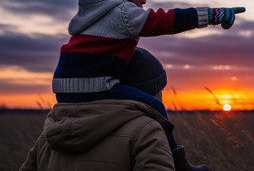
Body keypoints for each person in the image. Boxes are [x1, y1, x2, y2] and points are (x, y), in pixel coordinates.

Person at [51, 0, 244, 170]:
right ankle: (180, 164)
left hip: (63, 88)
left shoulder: (92, 15)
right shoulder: (123, 12)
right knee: (155, 107)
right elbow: (164, 21)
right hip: (96, 84)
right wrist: (214, 14)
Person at [19, 48, 177, 170]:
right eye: (160, 89)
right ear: (146, 92)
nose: (162, 96)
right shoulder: (147, 131)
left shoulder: (51, 133)